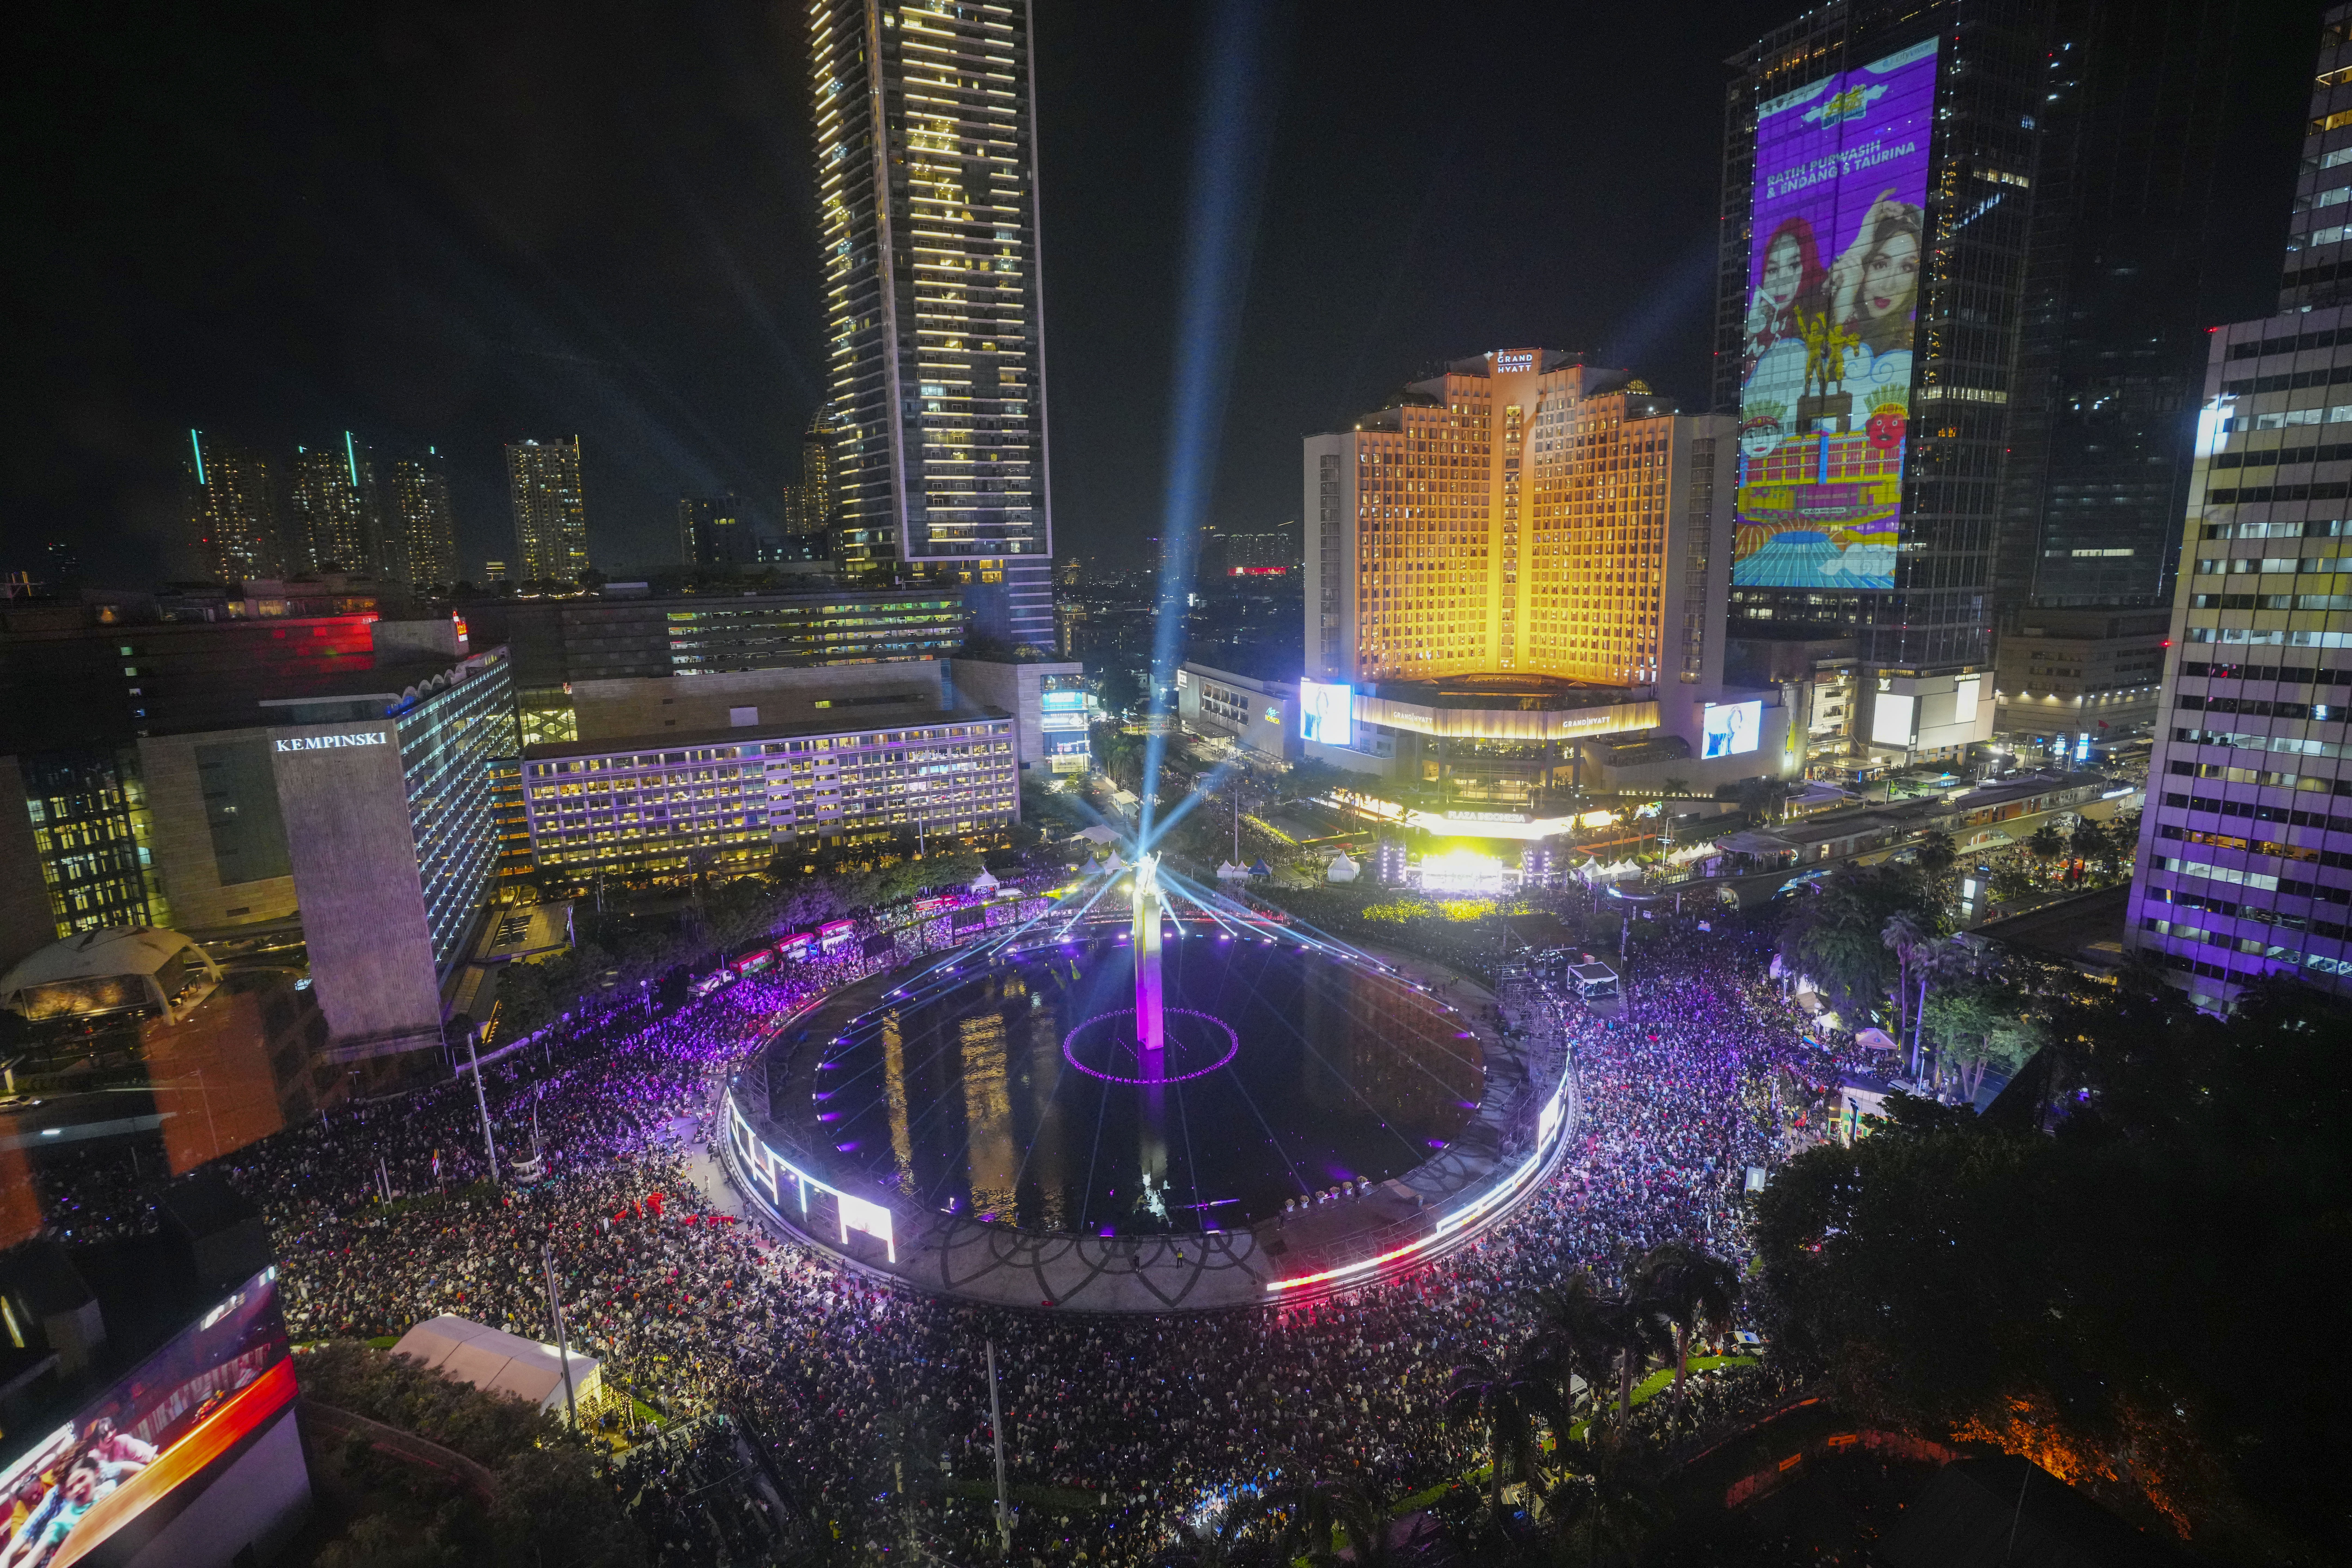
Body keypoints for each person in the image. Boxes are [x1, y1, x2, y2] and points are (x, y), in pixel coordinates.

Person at [1827, 193, 1922, 358]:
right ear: (1864, 266)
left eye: (1907, 268)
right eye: (1880, 265)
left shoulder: (1912, 345)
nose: (1888, 285)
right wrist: (1857, 250)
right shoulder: (1825, 315)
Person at [1742, 216, 1827, 374]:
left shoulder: (1823, 311)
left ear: (1809, 266)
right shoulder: (1754, 326)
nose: (1781, 282)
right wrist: (1751, 332)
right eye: (1773, 270)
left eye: (1794, 266)